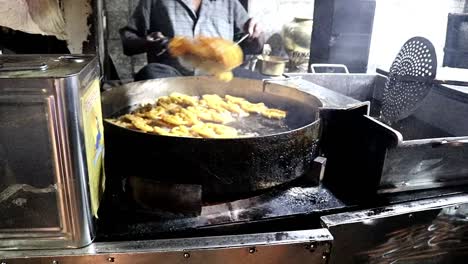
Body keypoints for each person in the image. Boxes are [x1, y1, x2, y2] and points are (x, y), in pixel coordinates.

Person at [120, 0, 264, 81]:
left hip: (218, 77)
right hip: (172, 77)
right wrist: (148, 42)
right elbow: (128, 43)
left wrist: (257, 35)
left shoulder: (229, 3)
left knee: (257, 81)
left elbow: (254, 47)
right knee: (150, 73)